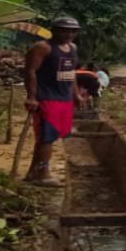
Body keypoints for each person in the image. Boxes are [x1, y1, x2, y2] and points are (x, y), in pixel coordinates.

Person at [22, 17, 85, 187]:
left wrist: (76, 94)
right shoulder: (43, 48)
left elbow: (71, 73)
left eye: (72, 31)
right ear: (54, 30)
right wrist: (32, 96)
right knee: (46, 138)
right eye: (64, 30)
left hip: (64, 98)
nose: (68, 34)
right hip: (47, 98)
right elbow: (30, 72)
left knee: (50, 137)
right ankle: (43, 174)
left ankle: (33, 173)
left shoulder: (72, 48)